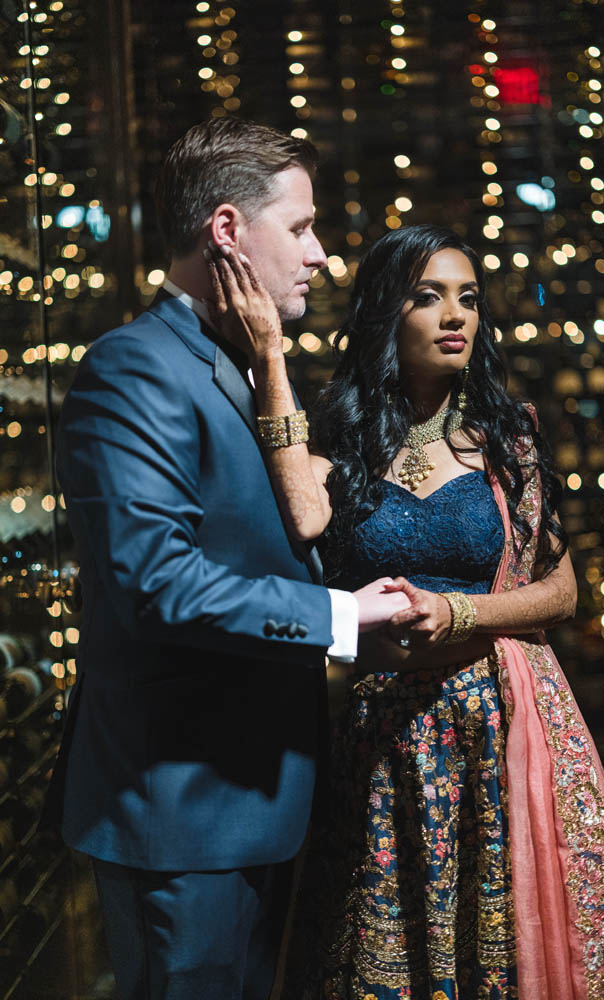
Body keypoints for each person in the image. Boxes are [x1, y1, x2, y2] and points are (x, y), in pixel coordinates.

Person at [205, 224, 604, 1000]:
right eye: (428, 298)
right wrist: (271, 360)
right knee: (389, 946)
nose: (456, 316)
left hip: (492, 726)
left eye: (468, 299)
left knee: (496, 942)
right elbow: (305, 516)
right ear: (388, 313)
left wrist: (458, 613)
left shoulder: (505, 437)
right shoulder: (342, 440)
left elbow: (560, 592)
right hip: (382, 739)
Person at [47, 116, 410, 1000]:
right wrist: (340, 617)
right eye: (300, 227)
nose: (320, 254)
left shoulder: (246, 364)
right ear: (227, 231)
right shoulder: (132, 369)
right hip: (181, 814)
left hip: (260, 799)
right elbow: (155, 583)